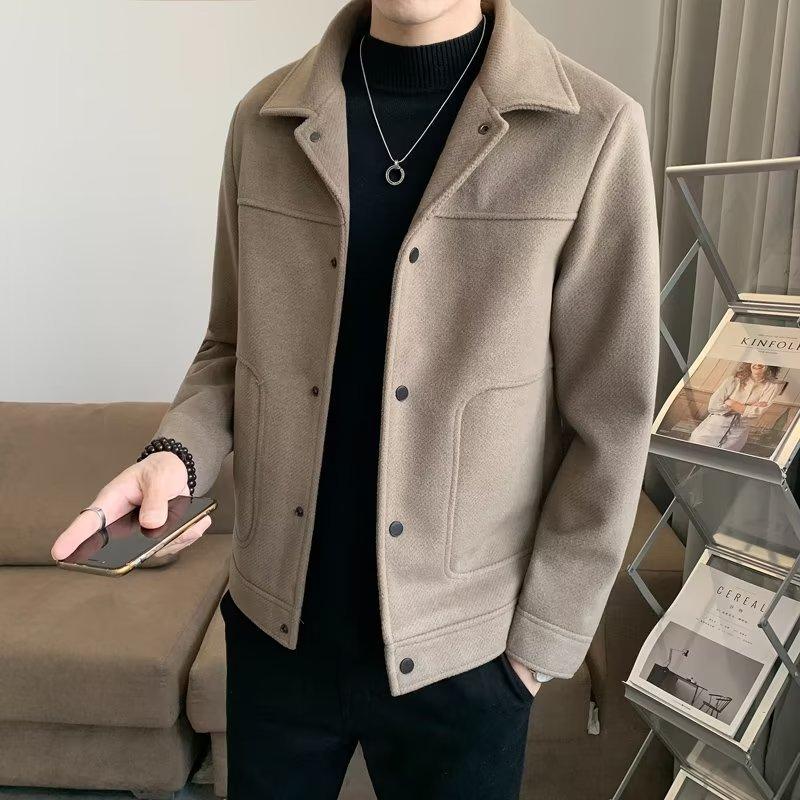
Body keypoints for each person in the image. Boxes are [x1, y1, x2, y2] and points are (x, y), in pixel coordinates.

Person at [52, 0, 661, 796]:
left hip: (467, 660)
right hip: (276, 636)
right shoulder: (265, 121)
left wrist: (538, 648)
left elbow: (611, 417)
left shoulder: (593, 130)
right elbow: (230, 348)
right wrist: (176, 454)